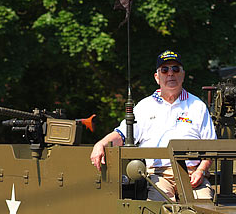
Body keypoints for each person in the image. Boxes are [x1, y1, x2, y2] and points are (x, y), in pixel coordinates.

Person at [90, 50, 216, 201]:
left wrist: (201, 171)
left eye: (175, 69)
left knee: (205, 207)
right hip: (157, 175)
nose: (170, 74)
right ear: (157, 77)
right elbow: (122, 135)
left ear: (183, 75)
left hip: (192, 174)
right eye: (165, 70)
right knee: (158, 208)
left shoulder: (197, 106)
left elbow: (211, 146)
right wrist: (101, 144)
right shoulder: (145, 106)